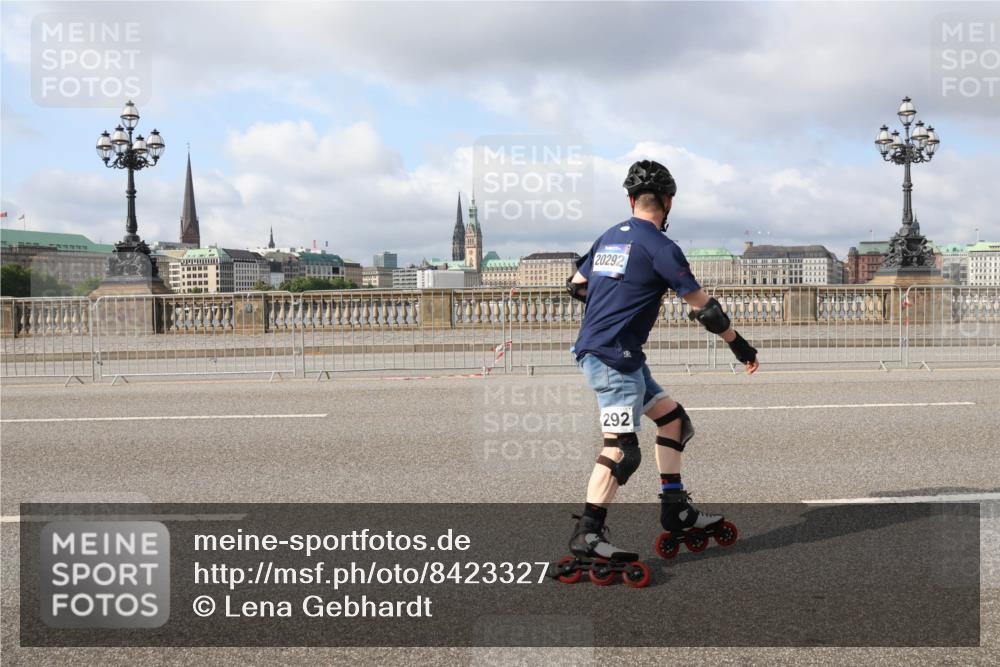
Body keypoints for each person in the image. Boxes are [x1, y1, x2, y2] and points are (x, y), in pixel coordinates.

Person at [564, 159, 759, 562]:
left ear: (631, 198)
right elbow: (707, 311)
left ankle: (676, 508)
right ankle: (588, 533)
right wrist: (740, 347)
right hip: (612, 361)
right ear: (668, 203)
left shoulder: (608, 238)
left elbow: (575, 285)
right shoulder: (662, 248)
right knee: (621, 449)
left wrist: (614, 301)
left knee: (674, 420)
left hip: (616, 355)